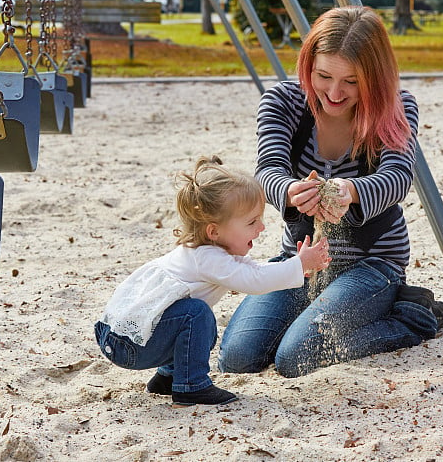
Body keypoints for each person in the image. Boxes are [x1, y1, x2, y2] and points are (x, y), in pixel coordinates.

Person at [218, 6, 443, 379]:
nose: (335, 92)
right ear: (308, 64)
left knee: (295, 359)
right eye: (323, 75)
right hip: (300, 259)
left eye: (352, 81)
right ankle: (312, 320)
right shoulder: (282, 102)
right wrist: (291, 191)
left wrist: (352, 191)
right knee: (238, 359)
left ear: (374, 78)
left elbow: (398, 177)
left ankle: (415, 317)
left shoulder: (397, 106)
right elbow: (267, 171)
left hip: (372, 265)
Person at [94, 156, 330, 406]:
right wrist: (299, 264)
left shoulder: (207, 252)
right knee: (196, 314)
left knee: (188, 315)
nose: (260, 228)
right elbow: (254, 281)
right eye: (251, 222)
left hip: (120, 336)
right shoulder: (208, 259)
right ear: (214, 231)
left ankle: (168, 377)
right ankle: (190, 386)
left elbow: (254, 269)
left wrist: (295, 268)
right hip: (129, 345)